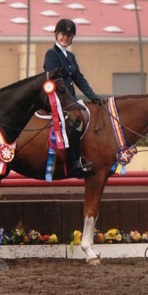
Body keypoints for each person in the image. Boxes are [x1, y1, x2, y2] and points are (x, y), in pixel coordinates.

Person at [43, 18, 103, 178]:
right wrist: (70, 101)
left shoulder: (70, 56)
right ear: (56, 35)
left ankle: (86, 156)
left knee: (89, 118)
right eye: (63, 35)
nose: (66, 38)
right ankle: (73, 162)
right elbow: (54, 79)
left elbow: (79, 78)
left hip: (70, 100)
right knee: (74, 122)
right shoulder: (51, 54)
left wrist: (92, 96)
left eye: (69, 36)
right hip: (57, 98)